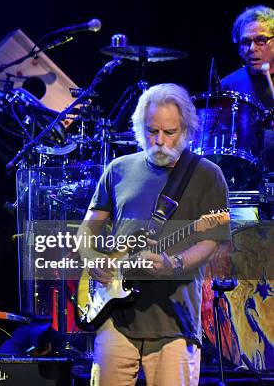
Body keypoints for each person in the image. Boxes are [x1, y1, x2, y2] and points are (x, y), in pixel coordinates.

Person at [79, 83, 229, 385]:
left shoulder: (207, 174)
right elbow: (88, 227)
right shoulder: (118, 168)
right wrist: (92, 257)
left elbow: (211, 242)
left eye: (169, 132)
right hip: (114, 318)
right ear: (138, 127)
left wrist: (173, 264)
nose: (159, 141)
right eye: (151, 131)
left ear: (185, 129)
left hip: (174, 323)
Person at [221, 5, 274, 183]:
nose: (252, 48)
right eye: (245, 42)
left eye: (261, 40)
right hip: (245, 180)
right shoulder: (229, 85)